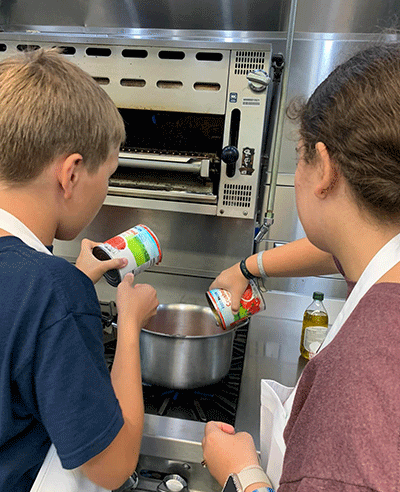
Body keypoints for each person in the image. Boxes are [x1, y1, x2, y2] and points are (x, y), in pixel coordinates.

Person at [202, 42, 400, 492]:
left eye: (299, 157)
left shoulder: (359, 381)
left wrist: (241, 473)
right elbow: (343, 242)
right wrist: (247, 267)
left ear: (324, 168)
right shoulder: (383, 249)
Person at [0, 48, 159, 492]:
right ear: (70, 174)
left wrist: (75, 278)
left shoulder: (48, 285)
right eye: (107, 175)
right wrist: (129, 323)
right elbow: (111, 467)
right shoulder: (55, 292)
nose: (105, 191)